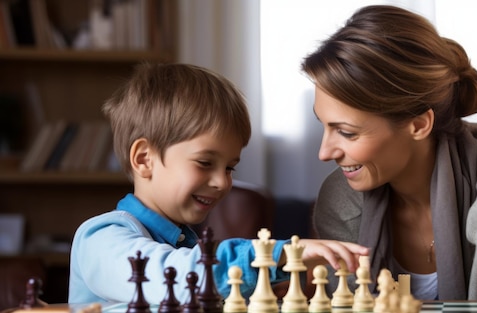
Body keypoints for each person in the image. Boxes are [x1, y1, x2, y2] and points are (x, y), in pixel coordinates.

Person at [301, 5, 477, 301]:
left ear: (418, 124)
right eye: (324, 126)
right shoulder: (339, 198)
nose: (324, 153)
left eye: (347, 132)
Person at [68, 63, 368, 304]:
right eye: (204, 163)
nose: (221, 182)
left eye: (230, 167)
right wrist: (276, 255)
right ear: (144, 159)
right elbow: (181, 276)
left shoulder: (186, 245)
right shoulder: (102, 238)